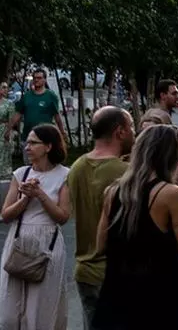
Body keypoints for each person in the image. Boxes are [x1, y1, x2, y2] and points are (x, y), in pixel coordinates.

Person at [92, 125, 178, 330]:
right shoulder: (171, 194)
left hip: (116, 296)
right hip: (156, 299)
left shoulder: (112, 192)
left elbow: (100, 246)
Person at [0, 124, 71, 330]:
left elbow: (63, 216)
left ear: (48, 146)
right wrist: (25, 199)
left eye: (32, 143)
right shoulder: (21, 173)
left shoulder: (64, 175)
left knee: (40, 311)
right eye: (26, 142)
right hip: (19, 239)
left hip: (47, 242)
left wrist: (40, 194)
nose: (27, 147)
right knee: (9, 314)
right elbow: (5, 215)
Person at [67, 107, 135, 323]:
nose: (134, 132)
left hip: (85, 269)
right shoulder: (125, 173)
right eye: (131, 126)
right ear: (120, 132)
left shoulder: (77, 167)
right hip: (117, 272)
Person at [8, 69, 66, 162]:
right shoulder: (27, 96)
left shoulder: (51, 96)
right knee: (29, 165)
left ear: (44, 80)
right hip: (28, 136)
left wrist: (62, 132)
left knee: (45, 164)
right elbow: (18, 114)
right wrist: (8, 129)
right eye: (34, 78)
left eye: (39, 78)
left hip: (45, 138)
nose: (36, 80)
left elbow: (57, 116)